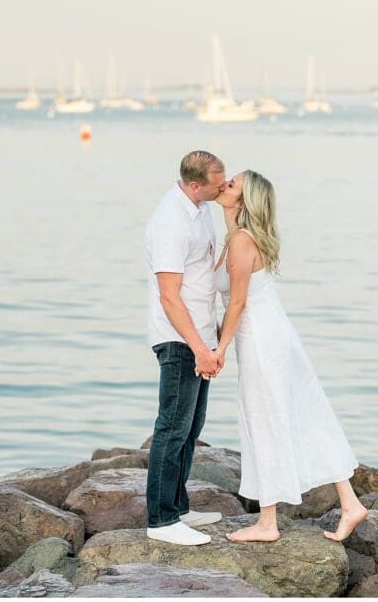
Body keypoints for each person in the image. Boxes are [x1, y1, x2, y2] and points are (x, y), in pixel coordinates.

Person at [211, 169, 368, 544]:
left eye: (231, 185)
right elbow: (234, 227)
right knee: (304, 414)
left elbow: (237, 301)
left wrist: (219, 349)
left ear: (245, 201)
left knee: (266, 421)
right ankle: (350, 504)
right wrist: (229, 208)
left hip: (264, 342)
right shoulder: (240, 236)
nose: (223, 185)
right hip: (271, 338)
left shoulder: (242, 242)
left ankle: (268, 523)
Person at [144, 150, 228, 545]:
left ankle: (179, 508)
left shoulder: (199, 208)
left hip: (200, 336)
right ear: (196, 184)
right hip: (179, 338)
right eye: (217, 183)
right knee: (172, 427)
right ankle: (161, 521)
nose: (223, 187)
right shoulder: (169, 222)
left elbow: (202, 276)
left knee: (191, 426)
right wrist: (198, 347)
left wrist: (212, 340)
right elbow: (169, 296)